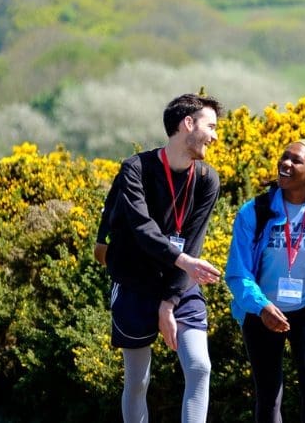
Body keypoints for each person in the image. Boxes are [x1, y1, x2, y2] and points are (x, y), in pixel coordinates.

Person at [96, 93, 224, 423]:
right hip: (134, 282)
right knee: (138, 380)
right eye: (211, 126)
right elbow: (141, 228)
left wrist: (170, 300)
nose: (215, 135)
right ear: (188, 124)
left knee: (199, 366)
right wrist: (184, 261)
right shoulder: (136, 168)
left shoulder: (208, 179)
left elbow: (192, 243)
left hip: (180, 283)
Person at [226, 139, 305, 423]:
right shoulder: (254, 211)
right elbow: (237, 272)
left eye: (296, 161)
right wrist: (261, 306)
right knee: (268, 394)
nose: (286, 164)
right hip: (262, 311)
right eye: (284, 157)